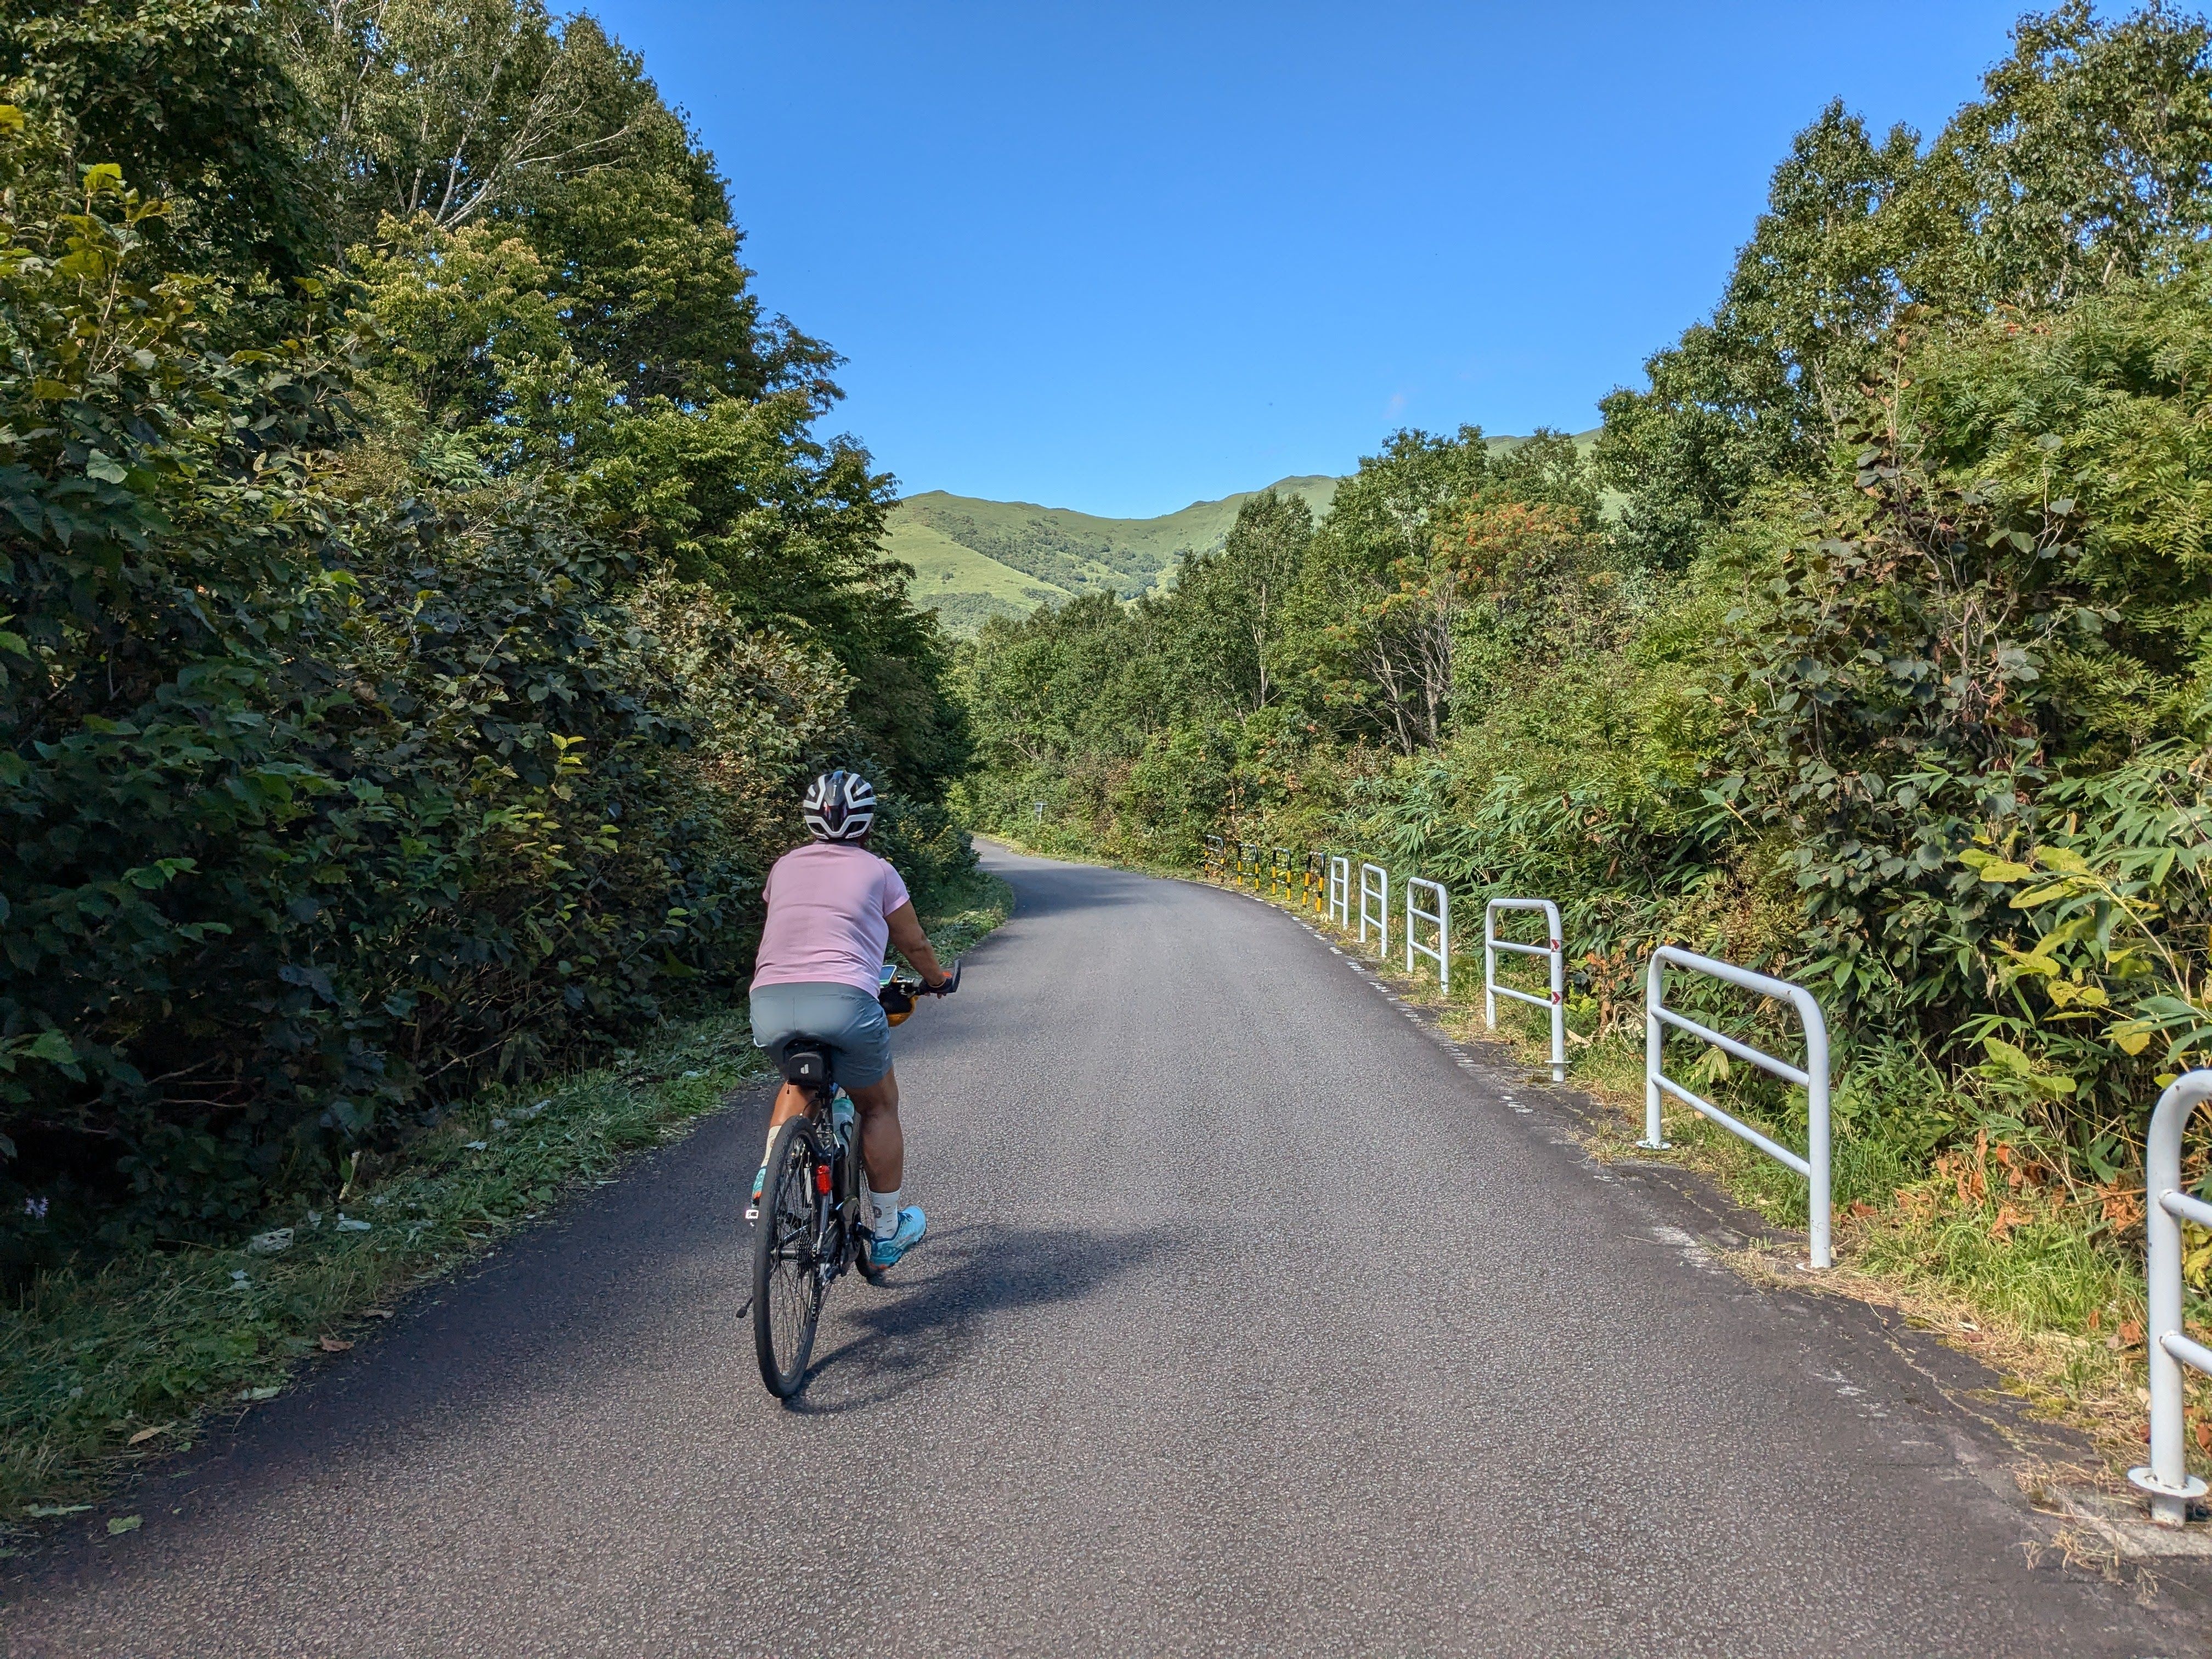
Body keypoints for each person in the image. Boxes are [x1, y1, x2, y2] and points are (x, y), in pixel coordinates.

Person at [746, 769, 951, 1269]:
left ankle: (769, 1180)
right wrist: (939, 979)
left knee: (799, 1080)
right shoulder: (878, 871)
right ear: (868, 823)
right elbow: (913, 943)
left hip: (770, 1003)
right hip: (844, 1002)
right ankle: (885, 1235)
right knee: (878, 1106)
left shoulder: (784, 867)